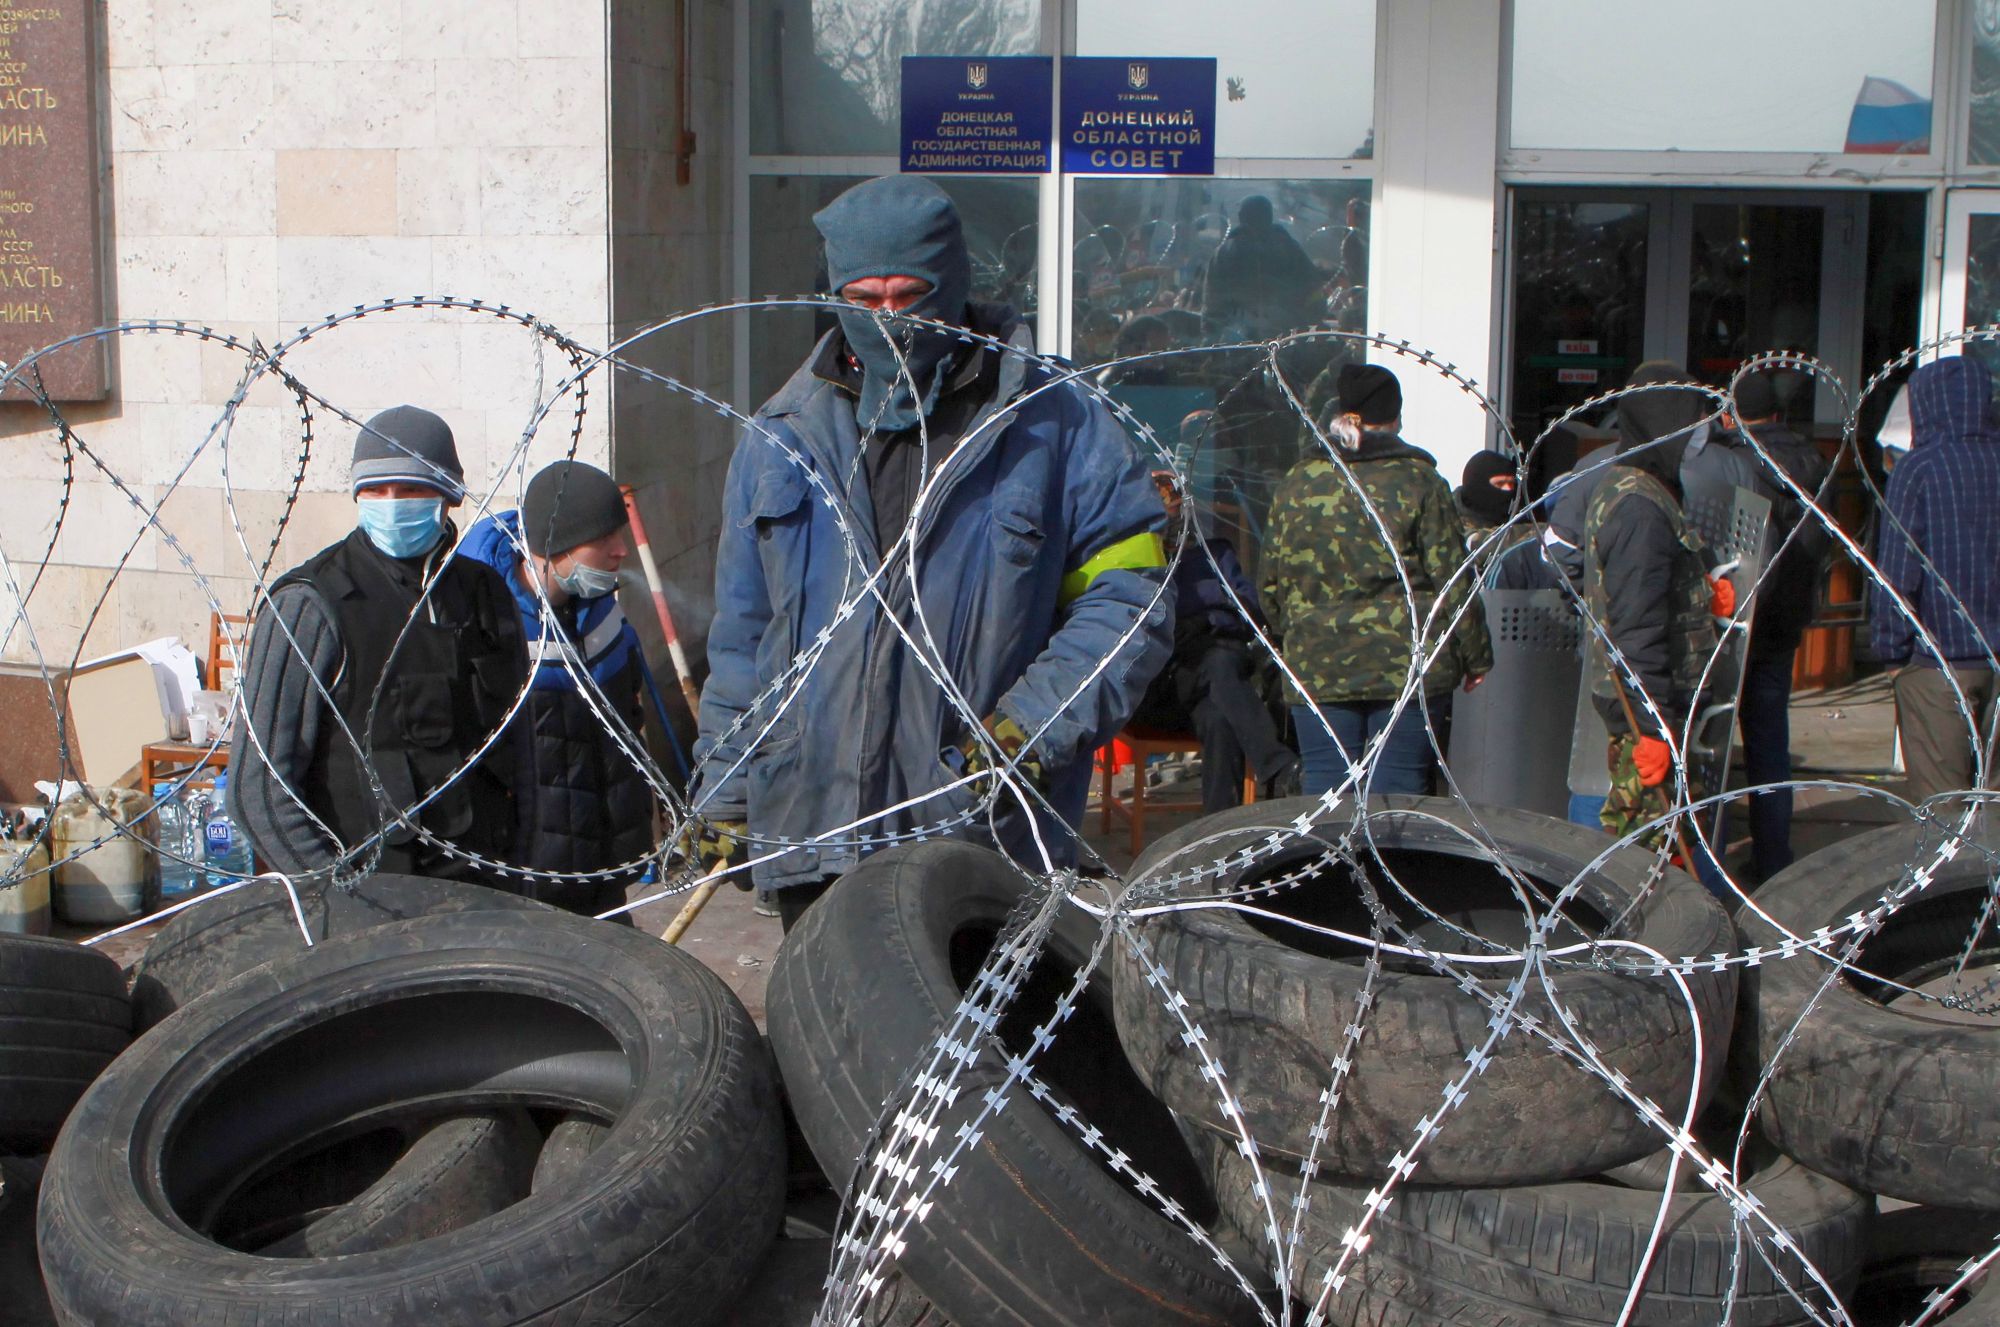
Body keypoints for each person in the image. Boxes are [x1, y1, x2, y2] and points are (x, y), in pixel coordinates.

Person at [692, 175, 1172, 928]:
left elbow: (1130, 593)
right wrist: (724, 789)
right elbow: (745, 642)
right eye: (864, 300)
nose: (887, 320)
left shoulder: (1052, 427)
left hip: (977, 845)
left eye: (909, 297)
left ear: (952, 287)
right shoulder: (781, 437)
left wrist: (1031, 726)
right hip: (815, 836)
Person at [230, 406, 526, 883]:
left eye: (411, 489)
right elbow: (258, 788)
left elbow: (518, 748)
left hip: (484, 895)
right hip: (374, 901)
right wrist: (337, 893)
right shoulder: (311, 604)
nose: (392, 502)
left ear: (448, 495)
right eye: (375, 489)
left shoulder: (483, 593)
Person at [1262, 364, 1491, 797]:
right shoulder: (1418, 481)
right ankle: (1386, 865)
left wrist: (1292, 633)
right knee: (1398, 787)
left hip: (1318, 657)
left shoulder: (1299, 482)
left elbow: (1271, 580)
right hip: (1406, 659)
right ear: (1397, 417)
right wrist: (1476, 655)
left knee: (1328, 790)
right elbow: (1452, 578)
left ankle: (1330, 866)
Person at [458, 460, 655, 916]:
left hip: (603, 868)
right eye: (602, 539)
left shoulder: (601, 610)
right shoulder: (490, 622)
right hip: (528, 882)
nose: (620, 551)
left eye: (619, 534)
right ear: (555, 547)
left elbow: (628, 724)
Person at [1580, 366, 1736, 858]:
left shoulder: (1650, 484)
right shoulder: (1639, 508)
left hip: (1655, 701)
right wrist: (1655, 730)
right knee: (1649, 858)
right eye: (1686, 425)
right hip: (1647, 709)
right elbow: (1637, 629)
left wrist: (1703, 588)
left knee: (1664, 844)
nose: (1695, 437)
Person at [1686, 370, 1831, 881]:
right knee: (1769, 742)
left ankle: (1711, 861)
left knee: (1716, 745)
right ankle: (1774, 858)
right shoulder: (1810, 461)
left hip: (1737, 617)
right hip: (1785, 617)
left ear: (1730, 413)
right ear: (1777, 413)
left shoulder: (1735, 462)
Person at [1869, 355, 2000, 803]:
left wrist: (1891, 651)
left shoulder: (1919, 469)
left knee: (1943, 816)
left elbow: (1896, 573)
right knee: (1995, 811)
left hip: (1937, 659)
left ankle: (1956, 876)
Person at [1130, 471, 1298, 812]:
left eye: (1176, 512)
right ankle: (1280, 767)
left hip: (1215, 682)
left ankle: (1217, 829)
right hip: (1162, 687)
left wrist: (1210, 617)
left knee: (1219, 714)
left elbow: (1250, 612)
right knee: (1216, 662)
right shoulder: (1138, 563)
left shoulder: (1213, 555)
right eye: (1162, 515)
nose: (1171, 524)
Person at [1202, 195, 1324, 341]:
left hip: (1242, 336)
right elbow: (1313, 286)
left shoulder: (1226, 251)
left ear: (1243, 217)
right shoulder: (1288, 247)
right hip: (1284, 334)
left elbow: (1213, 298)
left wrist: (1210, 330)